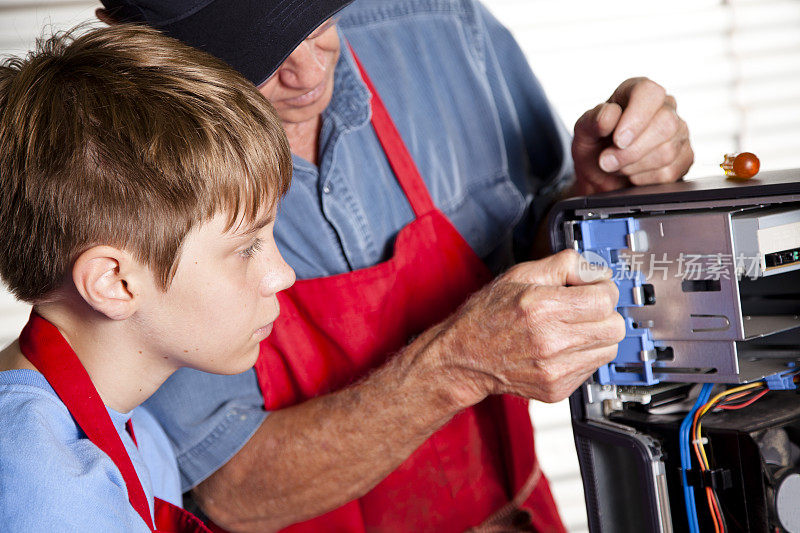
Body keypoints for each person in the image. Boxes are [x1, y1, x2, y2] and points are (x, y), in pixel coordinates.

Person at [98, 1, 694, 531]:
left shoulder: (440, 25)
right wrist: (454, 366)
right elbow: (234, 493)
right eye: (257, 52)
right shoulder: (122, 171)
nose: (307, 70)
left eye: (314, 18)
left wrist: (595, 194)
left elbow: (534, 241)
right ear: (139, 44)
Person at [0, 24, 295, 531]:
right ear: (114, 283)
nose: (283, 275)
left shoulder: (133, 425)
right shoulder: (51, 497)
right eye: (246, 247)